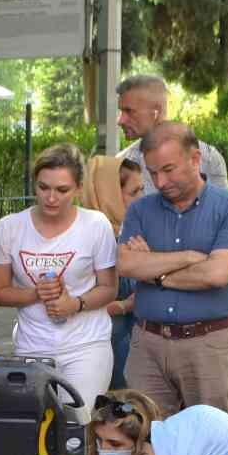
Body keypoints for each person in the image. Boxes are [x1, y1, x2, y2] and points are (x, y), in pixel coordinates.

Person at [0, 143, 118, 455]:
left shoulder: (95, 226)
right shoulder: (10, 227)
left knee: (79, 434)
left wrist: (75, 303)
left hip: (86, 343)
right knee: (44, 438)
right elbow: (0, 291)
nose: (51, 198)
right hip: (34, 346)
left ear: (77, 188)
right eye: (43, 187)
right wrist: (40, 296)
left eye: (62, 190)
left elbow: (109, 287)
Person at [115, 122, 228, 417]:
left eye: (168, 169)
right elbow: (128, 265)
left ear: (195, 160)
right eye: (153, 173)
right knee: (146, 441)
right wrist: (191, 257)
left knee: (209, 444)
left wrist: (155, 268)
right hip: (147, 346)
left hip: (207, 346)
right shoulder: (140, 210)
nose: (161, 182)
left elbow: (216, 274)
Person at [79, 154, 141, 390]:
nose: (141, 199)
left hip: (130, 343)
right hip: (101, 347)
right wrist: (122, 305)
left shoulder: (127, 234)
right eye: (134, 192)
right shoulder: (84, 238)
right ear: (110, 193)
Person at [115, 74, 228, 193]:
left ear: (156, 112)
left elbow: (221, 209)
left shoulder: (208, 159)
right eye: (121, 111)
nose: (120, 120)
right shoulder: (121, 163)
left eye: (129, 111)